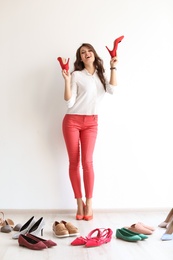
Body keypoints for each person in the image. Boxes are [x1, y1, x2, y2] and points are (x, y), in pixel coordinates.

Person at [61, 43, 118, 220]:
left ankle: (89, 204)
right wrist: (67, 82)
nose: (87, 53)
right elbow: (69, 103)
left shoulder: (101, 75)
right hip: (72, 121)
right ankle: (79, 203)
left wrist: (113, 66)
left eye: (89, 50)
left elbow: (112, 90)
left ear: (94, 54)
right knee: (74, 162)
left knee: (87, 162)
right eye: (83, 52)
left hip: (92, 122)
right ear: (80, 58)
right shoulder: (76, 75)